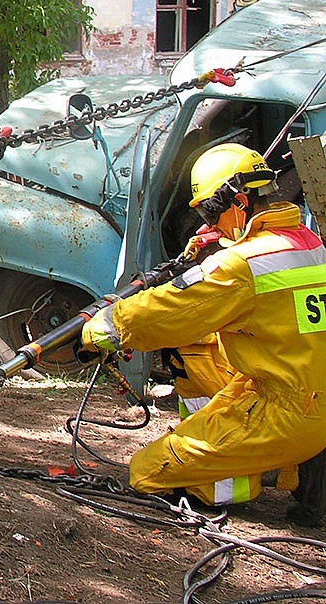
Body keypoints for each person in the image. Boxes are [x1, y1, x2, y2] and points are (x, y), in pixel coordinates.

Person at [81, 143, 326, 515]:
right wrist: (224, 239)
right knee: (198, 345)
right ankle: (256, 463)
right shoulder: (310, 244)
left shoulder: (242, 266)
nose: (209, 225)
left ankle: (230, 479)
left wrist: (107, 324)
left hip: (285, 412)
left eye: (212, 213)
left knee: (147, 471)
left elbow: (172, 310)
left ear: (240, 202)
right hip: (301, 389)